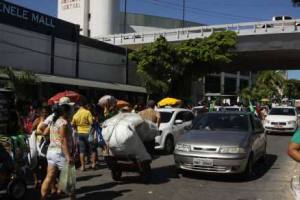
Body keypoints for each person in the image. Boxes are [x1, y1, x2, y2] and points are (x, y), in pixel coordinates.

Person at [40, 97, 75, 200]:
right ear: (66, 111)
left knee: (49, 177)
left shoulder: (54, 121)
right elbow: (63, 140)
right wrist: (68, 156)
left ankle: (43, 198)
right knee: (70, 179)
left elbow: (45, 132)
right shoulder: (63, 123)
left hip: (50, 152)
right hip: (61, 153)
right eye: (70, 109)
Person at [71, 97, 94, 171]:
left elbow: (73, 124)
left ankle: (83, 166)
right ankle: (93, 164)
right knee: (92, 149)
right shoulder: (87, 112)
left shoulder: (76, 114)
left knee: (81, 151)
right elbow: (91, 123)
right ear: (84, 105)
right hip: (88, 133)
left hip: (79, 133)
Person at [31, 107, 50, 188]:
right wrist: (39, 133)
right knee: (35, 163)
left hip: (47, 144)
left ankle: (43, 180)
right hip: (38, 145)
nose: (45, 114)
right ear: (41, 113)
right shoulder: (38, 120)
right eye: (44, 112)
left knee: (44, 163)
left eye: (47, 112)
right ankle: (36, 180)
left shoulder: (49, 121)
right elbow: (32, 130)